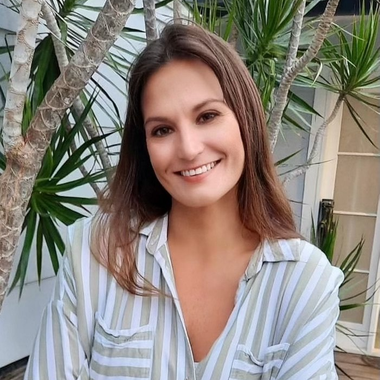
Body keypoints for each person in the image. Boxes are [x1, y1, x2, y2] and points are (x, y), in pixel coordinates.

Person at [25, 23, 343, 380]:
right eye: (162, 130)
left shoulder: (304, 282)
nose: (189, 149)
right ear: (144, 147)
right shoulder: (94, 254)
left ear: (245, 119)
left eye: (207, 116)